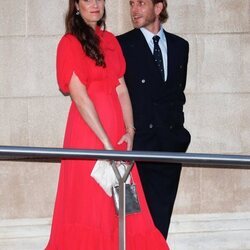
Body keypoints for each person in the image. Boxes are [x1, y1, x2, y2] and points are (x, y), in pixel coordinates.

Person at [45, 0, 169, 249]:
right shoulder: (69, 43)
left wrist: (130, 131)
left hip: (117, 136)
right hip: (88, 135)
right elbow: (79, 96)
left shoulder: (111, 40)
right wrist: (104, 143)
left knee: (126, 208)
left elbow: (121, 88)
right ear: (76, 6)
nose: (95, 4)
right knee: (90, 205)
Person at [117, 0, 191, 238]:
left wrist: (179, 138)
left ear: (158, 8)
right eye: (131, 4)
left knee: (161, 223)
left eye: (141, 3)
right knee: (131, 222)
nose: (134, 10)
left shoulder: (181, 46)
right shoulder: (122, 45)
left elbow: (177, 95)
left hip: (170, 148)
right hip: (136, 151)